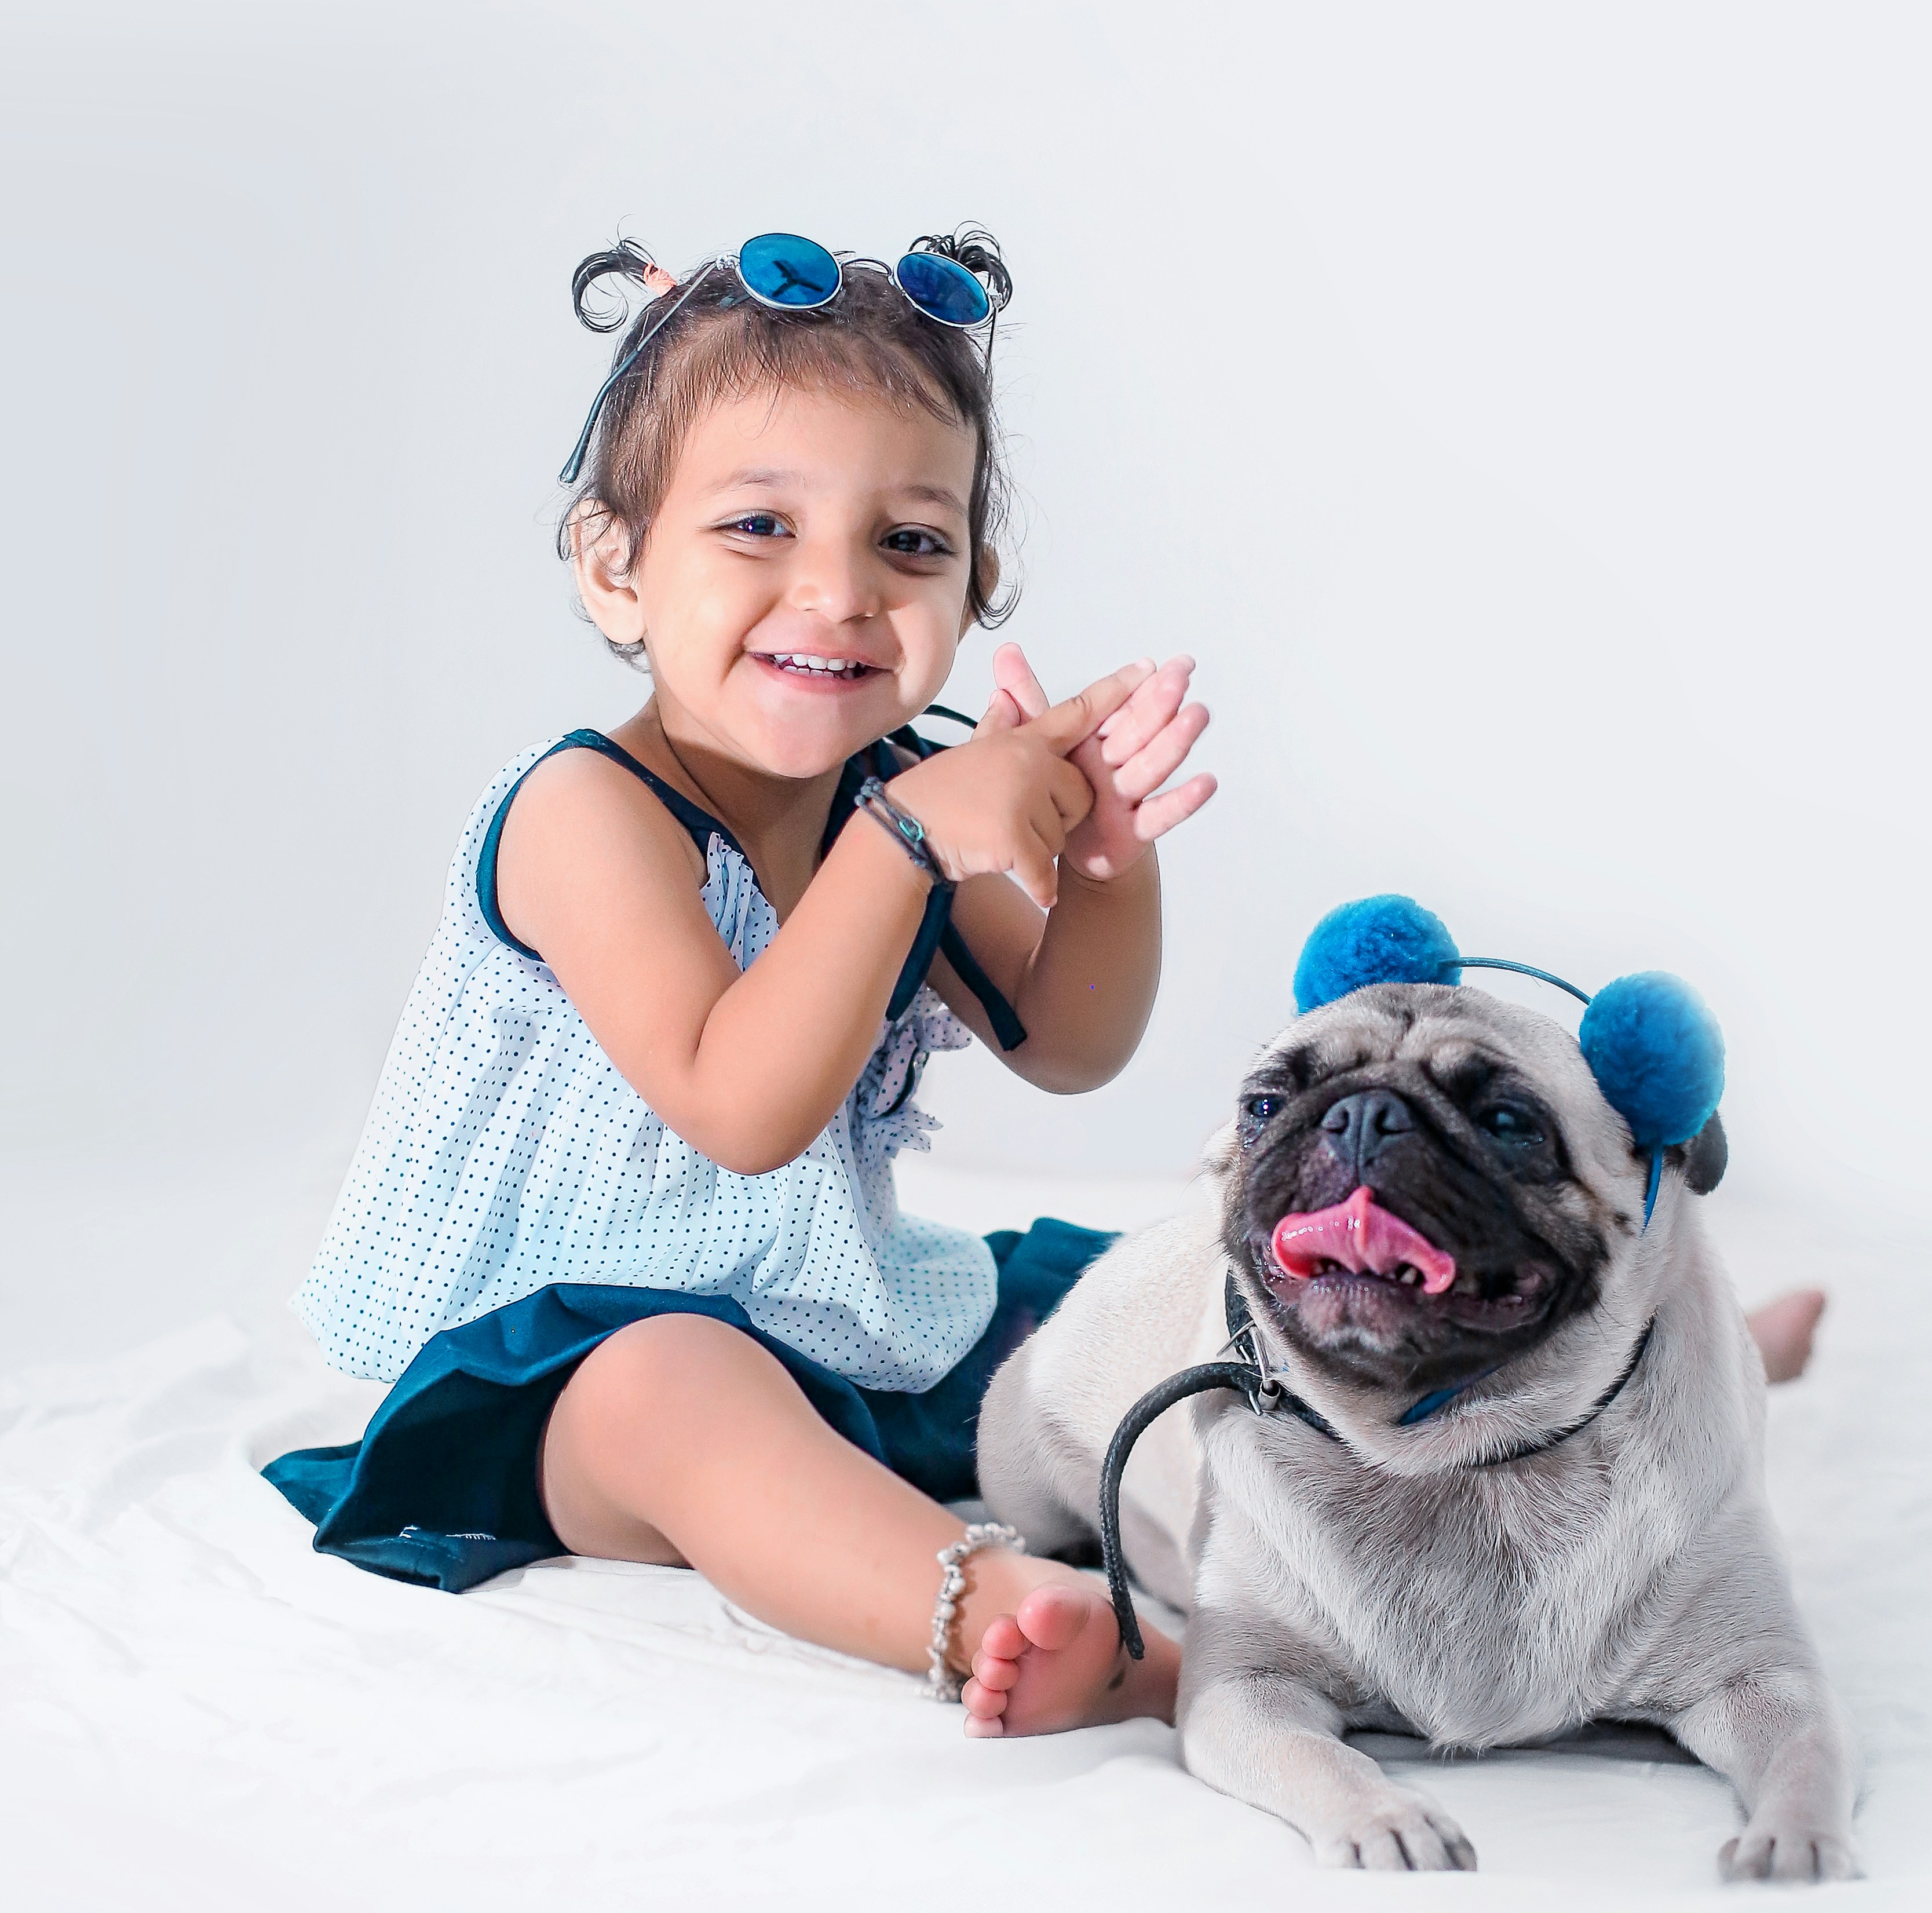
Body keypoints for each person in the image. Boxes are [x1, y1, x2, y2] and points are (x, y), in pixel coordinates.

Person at [268, 221, 1820, 1744]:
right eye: (758, 527)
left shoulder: (890, 793)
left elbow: (1071, 1046)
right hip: (561, 1361)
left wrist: (1102, 863)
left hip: (834, 1313)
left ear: (975, 582)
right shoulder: (583, 814)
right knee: (672, 1387)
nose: (841, 591)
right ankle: (1015, 1613)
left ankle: (1677, 1354)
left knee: (1128, 1287)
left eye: (910, 542)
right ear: (616, 574)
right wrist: (904, 842)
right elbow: (738, 1105)